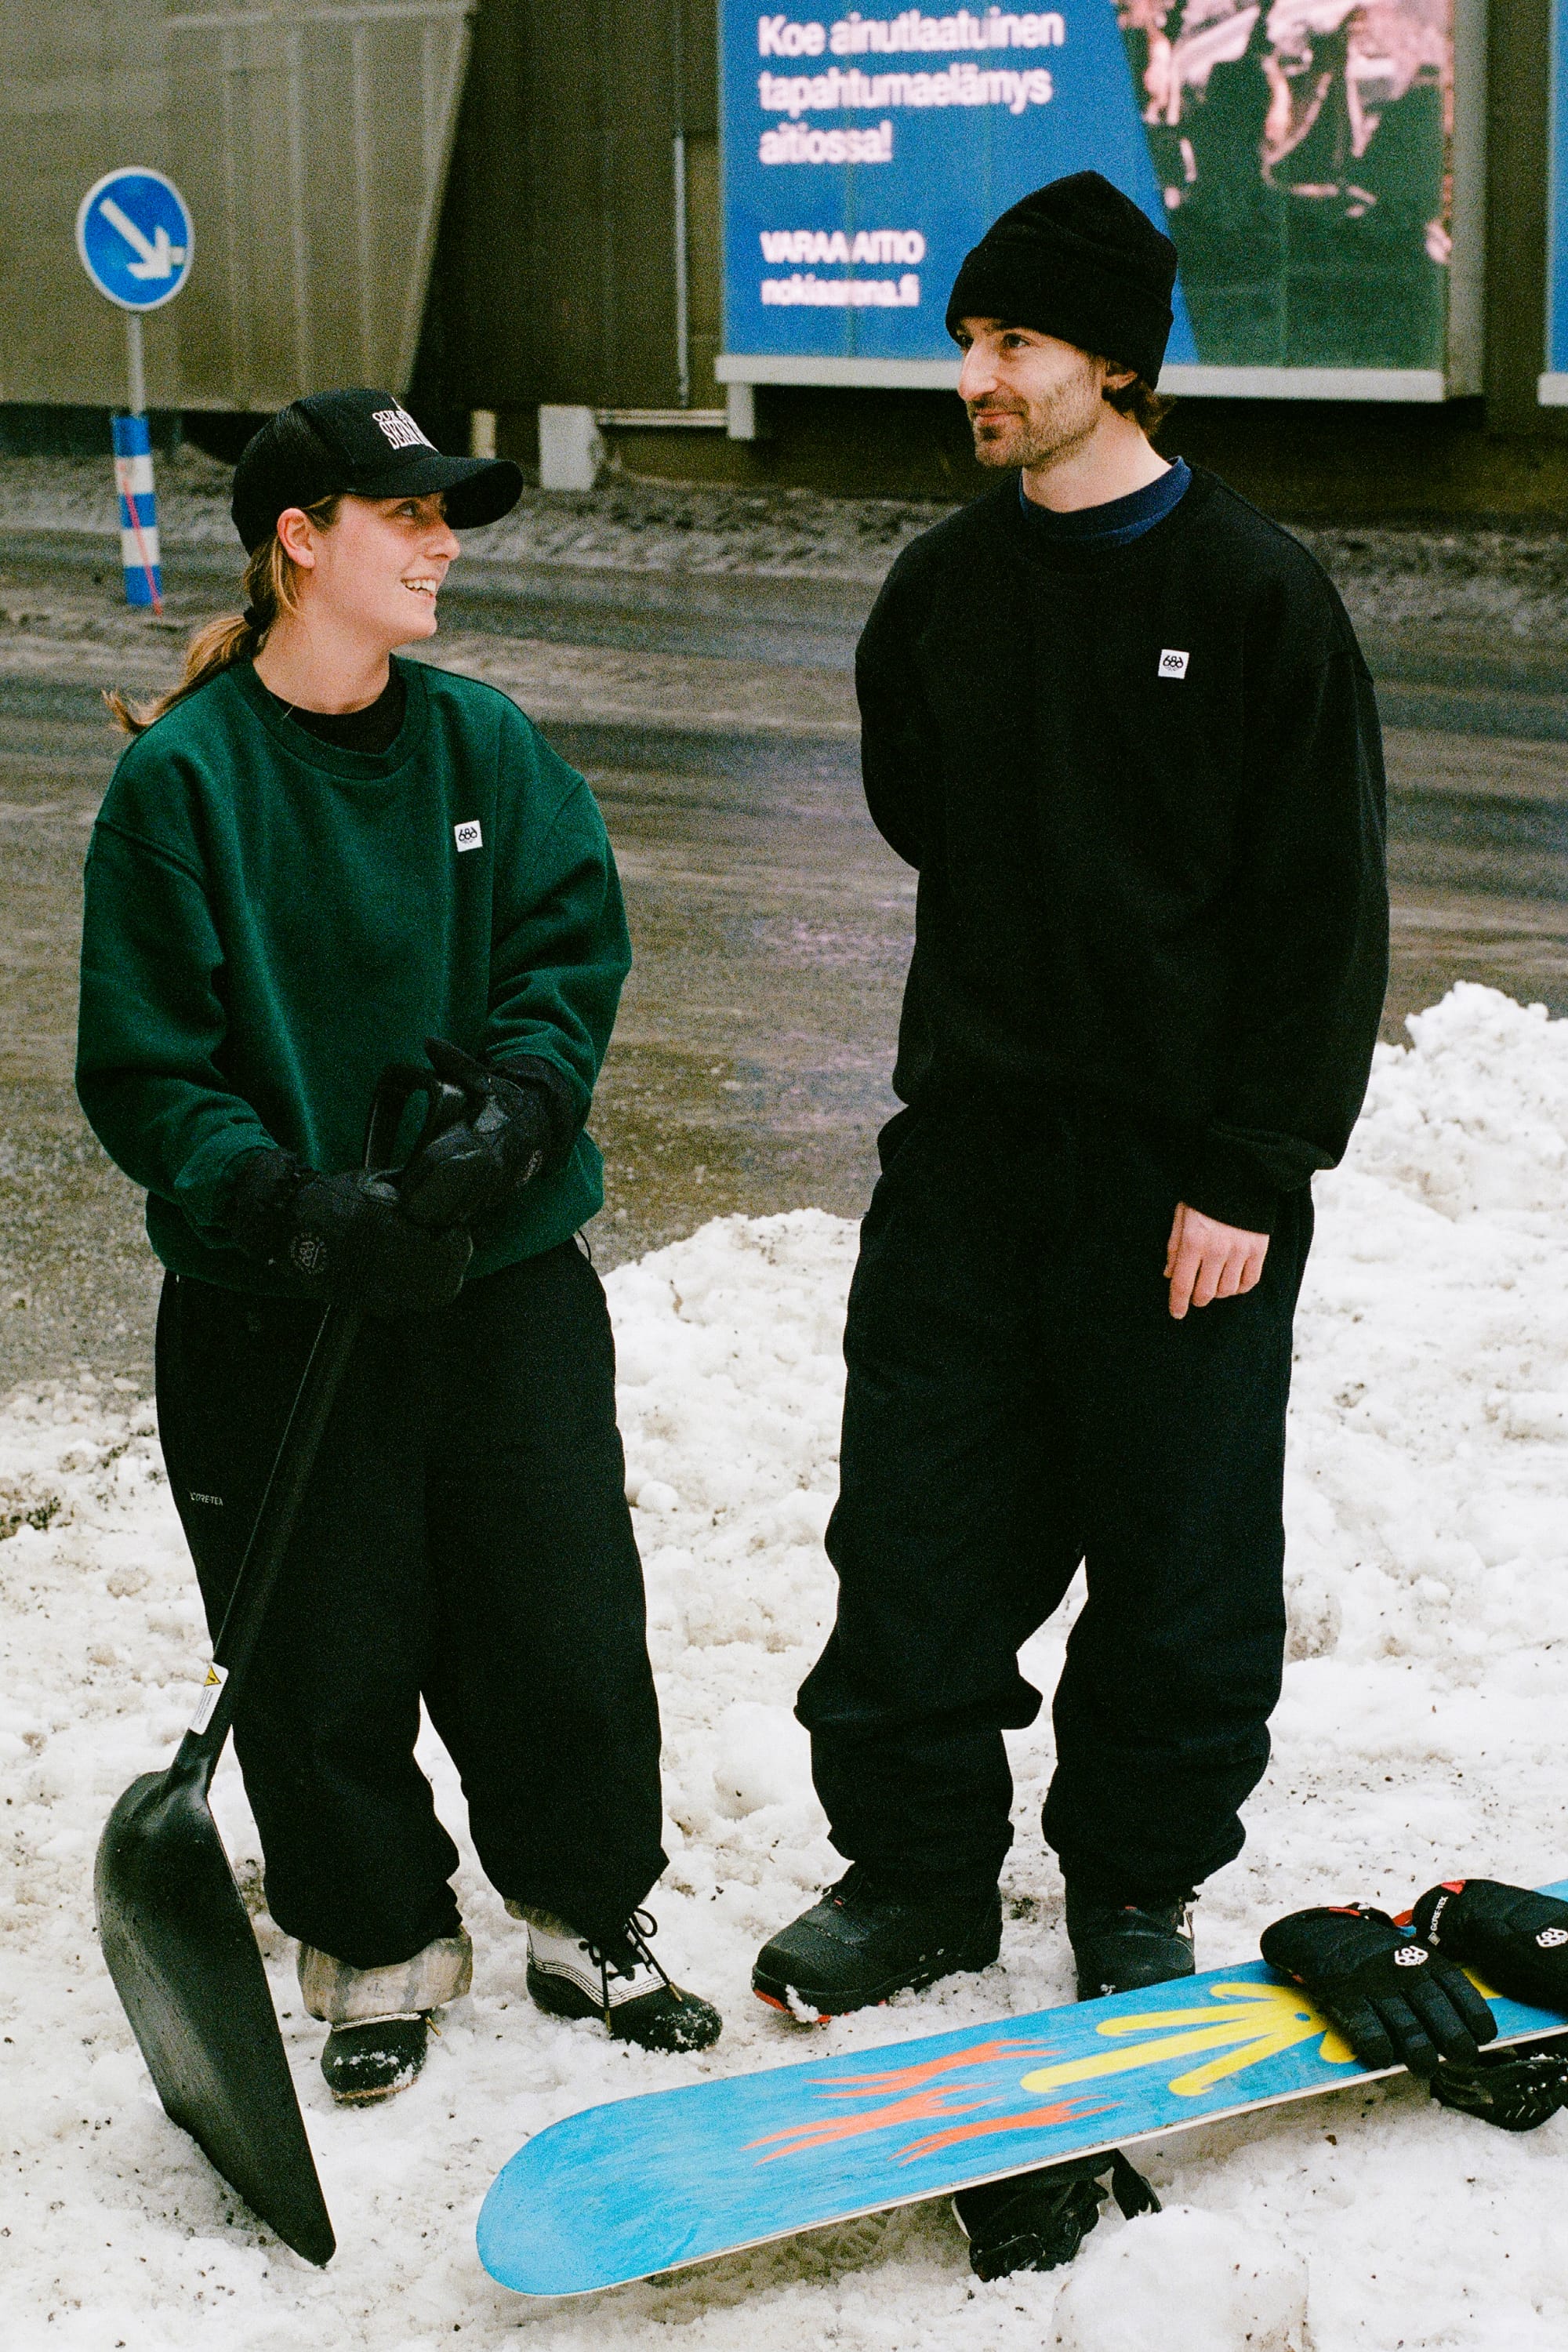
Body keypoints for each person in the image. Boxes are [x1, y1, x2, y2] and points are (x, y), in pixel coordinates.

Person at [754, 173, 1388, 2025]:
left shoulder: (1254, 594)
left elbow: (1319, 913)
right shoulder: (944, 587)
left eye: (1011, 341)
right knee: (914, 1535)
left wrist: (1249, 1167)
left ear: (1114, 360)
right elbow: (917, 810)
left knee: (1179, 1558)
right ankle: (914, 1878)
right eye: (968, 338)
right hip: (966, 1154)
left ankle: (1132, 1885)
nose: (977, 373)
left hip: (1181, 1182)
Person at [78, 388, 720, 2103]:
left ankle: (586, 1910)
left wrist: (519, 1105)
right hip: (276, 1307)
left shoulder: (481, 746)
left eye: (448, 514)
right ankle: (372, 1932)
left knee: (557, 1610)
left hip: (499, 1288)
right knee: (321, 1636)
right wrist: (292, 1206)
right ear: (301, 541)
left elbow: (565, 947)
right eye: (408, 513)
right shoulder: (183, 785)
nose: (445, 541)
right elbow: (147, 1066)